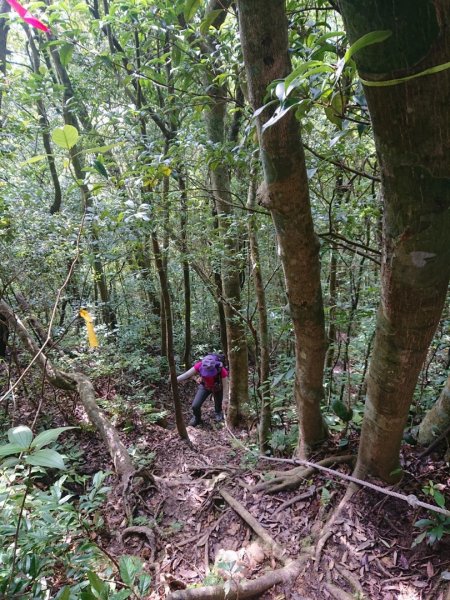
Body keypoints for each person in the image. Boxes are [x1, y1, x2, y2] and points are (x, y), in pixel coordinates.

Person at [177, 353, 229, 427]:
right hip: (205, 386)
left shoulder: (221, 369)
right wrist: (175, 379)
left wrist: (225, 400)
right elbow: (187, 375)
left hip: (218, 388)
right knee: (195, 405)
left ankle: (218, 413)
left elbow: (225, 385)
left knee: (218, 404)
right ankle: (197, 418)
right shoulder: (199, 365)